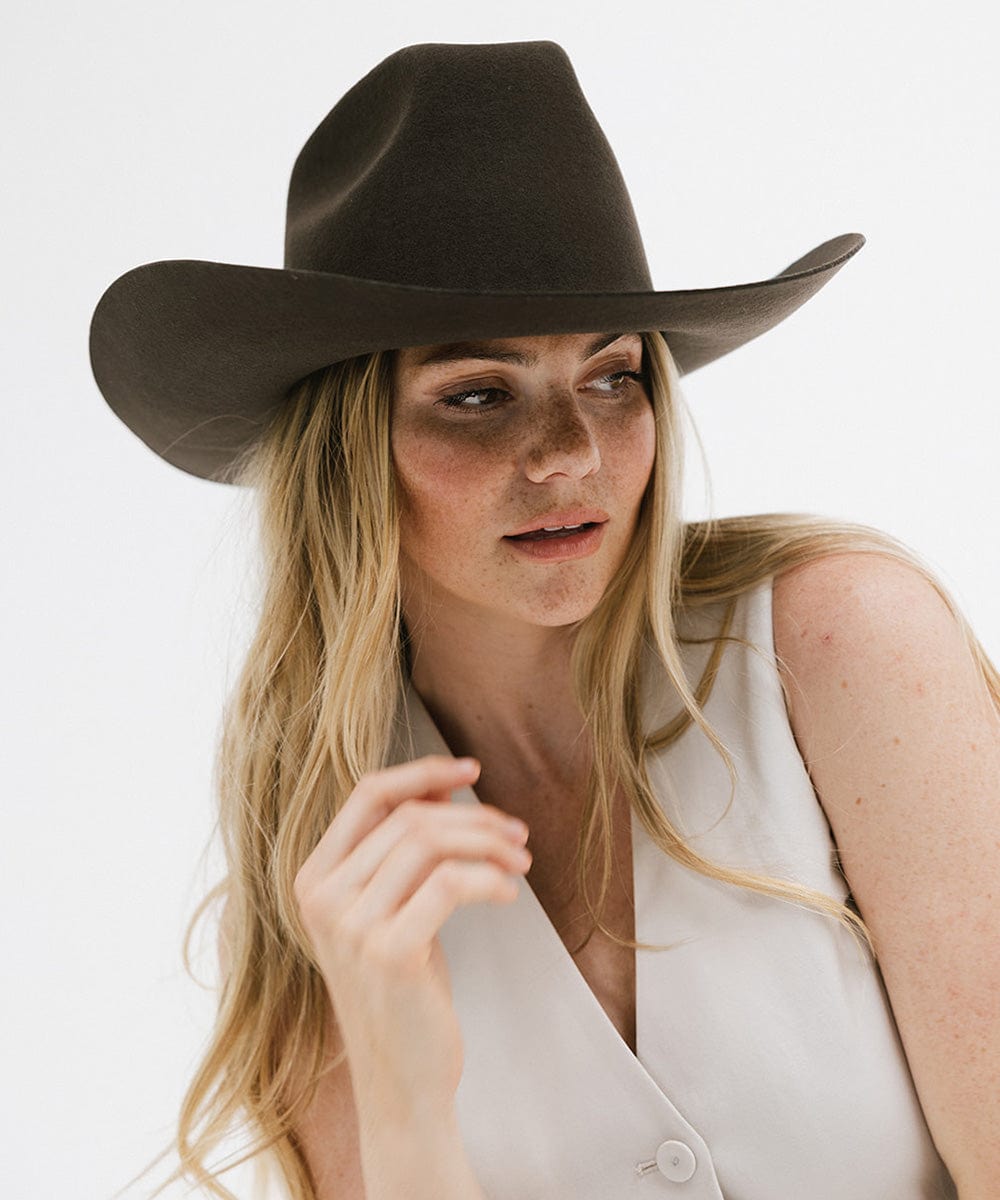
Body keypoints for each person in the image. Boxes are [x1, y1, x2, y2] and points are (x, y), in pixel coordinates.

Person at [90, 40, 998, 1200]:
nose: (570, 452)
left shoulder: (835, 647)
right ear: (345, 455)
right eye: (477, 395)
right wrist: (403, 1087)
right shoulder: (335, 885)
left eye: (612, 377)